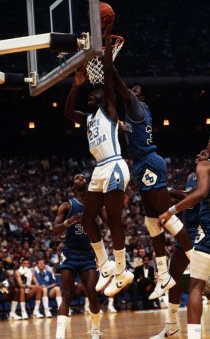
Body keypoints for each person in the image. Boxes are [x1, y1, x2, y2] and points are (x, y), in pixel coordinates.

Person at [64, 20, 133, 298]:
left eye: (95, 91)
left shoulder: (109, 109)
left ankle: (122, 270)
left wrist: (104, 38)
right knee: (89, 219)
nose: (93, 94)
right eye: (90, 93)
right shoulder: (89, 117)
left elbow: (106, 73)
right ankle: (104, 264)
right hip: (99, 170)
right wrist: (76, 86)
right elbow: (69, 113)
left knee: (114, 220)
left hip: (115, 164)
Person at [112, 69, 192, 299]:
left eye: (136, 91)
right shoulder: (131, 119)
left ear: (141, 97)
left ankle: (196, 259)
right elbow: (120, 125)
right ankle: (164, 274)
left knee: (167, 217)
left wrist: (110, 67)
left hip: (149, 162)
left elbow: (121, 87)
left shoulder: (136, 107)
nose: (132, 93)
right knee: (151, 223)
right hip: (141, 165)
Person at [159, 130, 210, 339]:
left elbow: (201, 193)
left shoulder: (206, 165)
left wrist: (171, 210)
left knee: (196, 285)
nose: (208, 142)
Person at [53, 173, 102, 339]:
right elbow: (54, 231)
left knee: (92, 294)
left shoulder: (94, 204)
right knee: (66, 294)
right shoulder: (67, 205)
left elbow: (111, 221)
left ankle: (95, 332)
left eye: (83, 177)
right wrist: (69, 221)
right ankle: (60, 336)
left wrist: (120, 202)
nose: (81, 178)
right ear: (73, 186)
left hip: (88, 254)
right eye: (76, 177)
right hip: (70, 253)